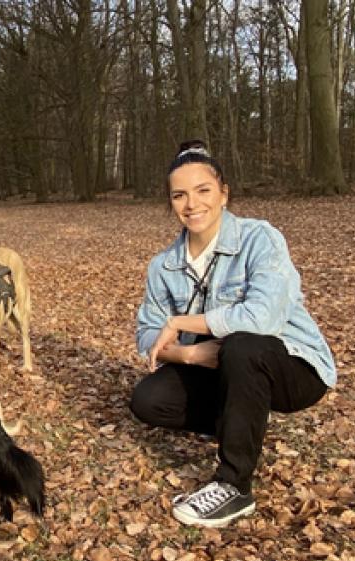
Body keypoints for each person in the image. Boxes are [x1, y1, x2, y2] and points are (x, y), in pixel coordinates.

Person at [131, 140, 336, 528]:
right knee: (148, 399)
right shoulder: (164, 266)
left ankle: (233, 486)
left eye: (203, 190)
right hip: (221, 367)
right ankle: (245, 419)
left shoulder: (260, 239)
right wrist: (192, 355)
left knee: (243, 344)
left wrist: (180, 324)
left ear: (224, 193)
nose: (192, 204)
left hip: (293, 366)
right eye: (179, 195)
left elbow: (263, 318)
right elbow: (146, 336)